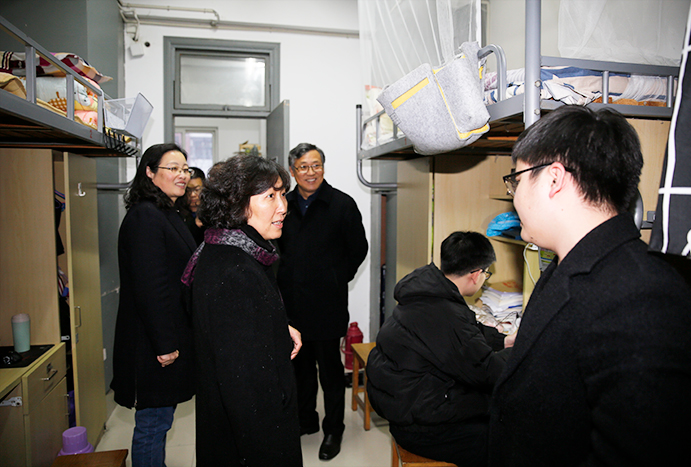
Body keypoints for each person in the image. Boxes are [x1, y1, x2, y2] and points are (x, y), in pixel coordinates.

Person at [489, 105, 691, 466]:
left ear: (554, 179)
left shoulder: (642, 295)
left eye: (517, 180)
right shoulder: (570, 264)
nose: (514, 196)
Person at [181, 155, 303, 466]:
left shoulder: (227, 248)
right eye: (270, 196)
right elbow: (247, 391)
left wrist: (277, 326)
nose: (283, 206)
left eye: (282, 194)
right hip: (252, 439)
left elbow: (238, 332)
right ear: (237, 204)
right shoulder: (235, 272)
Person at [366, 231, 514, 467]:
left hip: (408, 406)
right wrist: (521, 350)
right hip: (422, 428)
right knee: (506, 431)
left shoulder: (428, 293)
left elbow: (467, 331)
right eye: (486, 274)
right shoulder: (445, 313)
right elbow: (490, 371)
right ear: (476, 275)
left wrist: (503, 341)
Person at [277, 142, 369, 460]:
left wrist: (336, 277)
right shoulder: (284, 204)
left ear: (323, 168)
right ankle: (306, 421)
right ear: (293, 171)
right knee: (299, 371)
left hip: (327, 305)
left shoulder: (341, 204)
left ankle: (334, 430)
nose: (311, 172)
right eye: (303, 166)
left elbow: (358, 249)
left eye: (316, 165)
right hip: (291, 306)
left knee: (330, 374)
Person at [111, 143, 197, 467]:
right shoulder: (146, 217)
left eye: (185, 169)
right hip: (151, 344)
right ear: (149, 172)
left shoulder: (167, 213)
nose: (182, 175)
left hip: (163, 336)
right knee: (153, 424)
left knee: (160, 421)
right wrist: (165, 344)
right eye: (173, 168)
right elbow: (152, 287)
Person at [178, 166, 206, 244]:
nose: (193, 194)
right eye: (188, 190)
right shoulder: (178, 212)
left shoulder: (210, 211)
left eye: (197, 189)